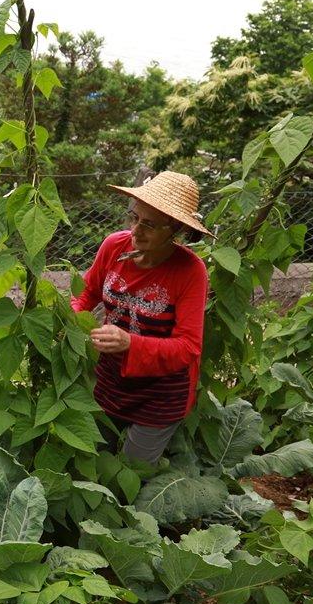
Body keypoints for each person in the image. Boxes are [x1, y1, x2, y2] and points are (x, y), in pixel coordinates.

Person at [71, 171, 211, 464]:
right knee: (92, 459)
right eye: (133, 217)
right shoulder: (114, 246)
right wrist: (68, 323)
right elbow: (85, 295)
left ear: (175, 229)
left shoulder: (190, 271)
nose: (135, 230)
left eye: (149, 224)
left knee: (133, 471)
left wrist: (129, 344)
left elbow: (188, 347)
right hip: (109, 381)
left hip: (160, 394)